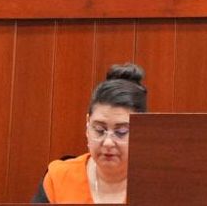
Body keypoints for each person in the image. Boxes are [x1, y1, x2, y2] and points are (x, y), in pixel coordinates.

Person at [34, 64, 147, 203]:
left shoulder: (157, 184)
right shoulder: (59, 178)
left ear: (141, 131)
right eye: (100, 130)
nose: (108, 142)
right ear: (88, 124)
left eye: (121, 132)